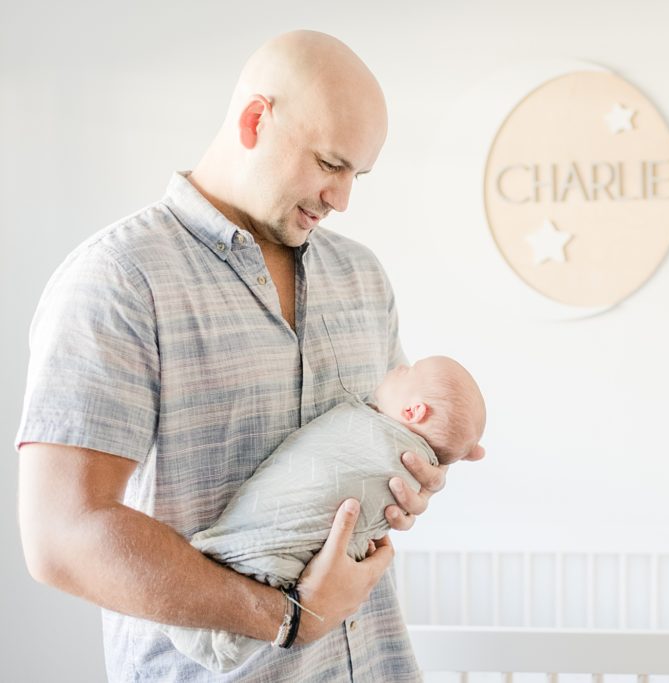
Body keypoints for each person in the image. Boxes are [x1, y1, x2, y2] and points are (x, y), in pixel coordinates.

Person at [16, 30, 473, 681]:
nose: (343, 199)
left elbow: (388, 444)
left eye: (357, 176)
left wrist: (412, 479)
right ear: (256, 119)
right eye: (329, 164)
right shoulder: (118, 280)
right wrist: (285, 616)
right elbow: (63, 534)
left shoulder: (362, 277)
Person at [164, 355, 486, 672]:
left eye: (409, 371)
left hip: (368, 655)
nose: (398, 366)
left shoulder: (394, 449)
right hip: (207, 626)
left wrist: (431, 472)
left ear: (414, 411)